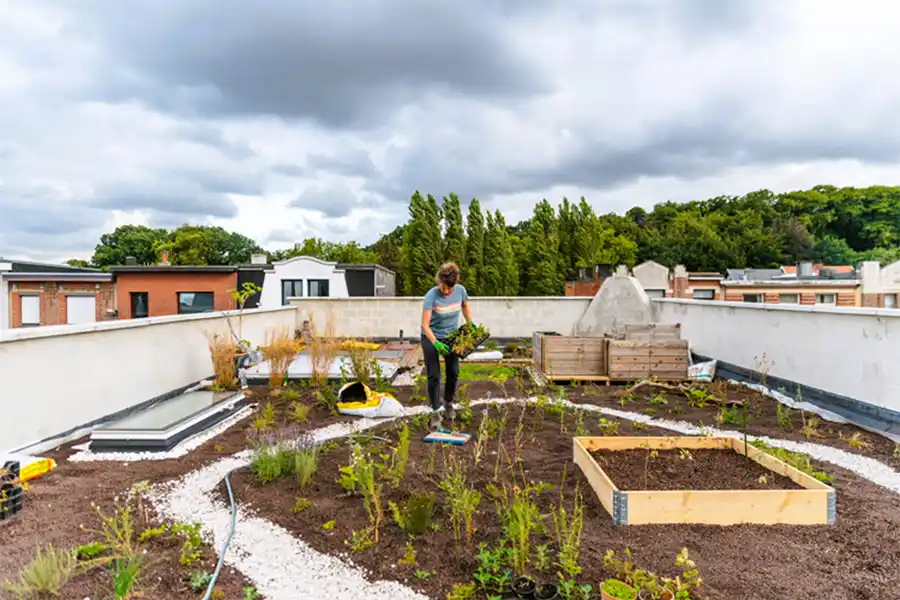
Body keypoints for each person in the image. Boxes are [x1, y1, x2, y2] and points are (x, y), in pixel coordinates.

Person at [421, 263, 476, 429]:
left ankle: (449, 404)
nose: (446, 292)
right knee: (434, 375)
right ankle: (436, 412)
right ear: (439, 281)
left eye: (450, 289)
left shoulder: (460, 290)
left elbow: (465, 305)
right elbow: (425, 324)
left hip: (452, 337)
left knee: (453, 372)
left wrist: (470, 322)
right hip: (431, 337)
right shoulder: (431, 296)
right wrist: (436, 342)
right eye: (444, 288)